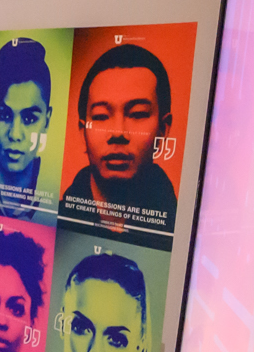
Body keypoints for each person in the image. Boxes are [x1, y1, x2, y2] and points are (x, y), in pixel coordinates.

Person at [59, 44, 177, 247]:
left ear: (163, 130)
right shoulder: (56, 224)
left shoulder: (181, 229)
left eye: (138, 114)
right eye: (101, 116)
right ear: (82, 131)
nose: (118, 133)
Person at [0, 38, 53, 217]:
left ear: (46, 121)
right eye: (4, 115)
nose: (15, 134)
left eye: (29, 118)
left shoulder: (57, 202)